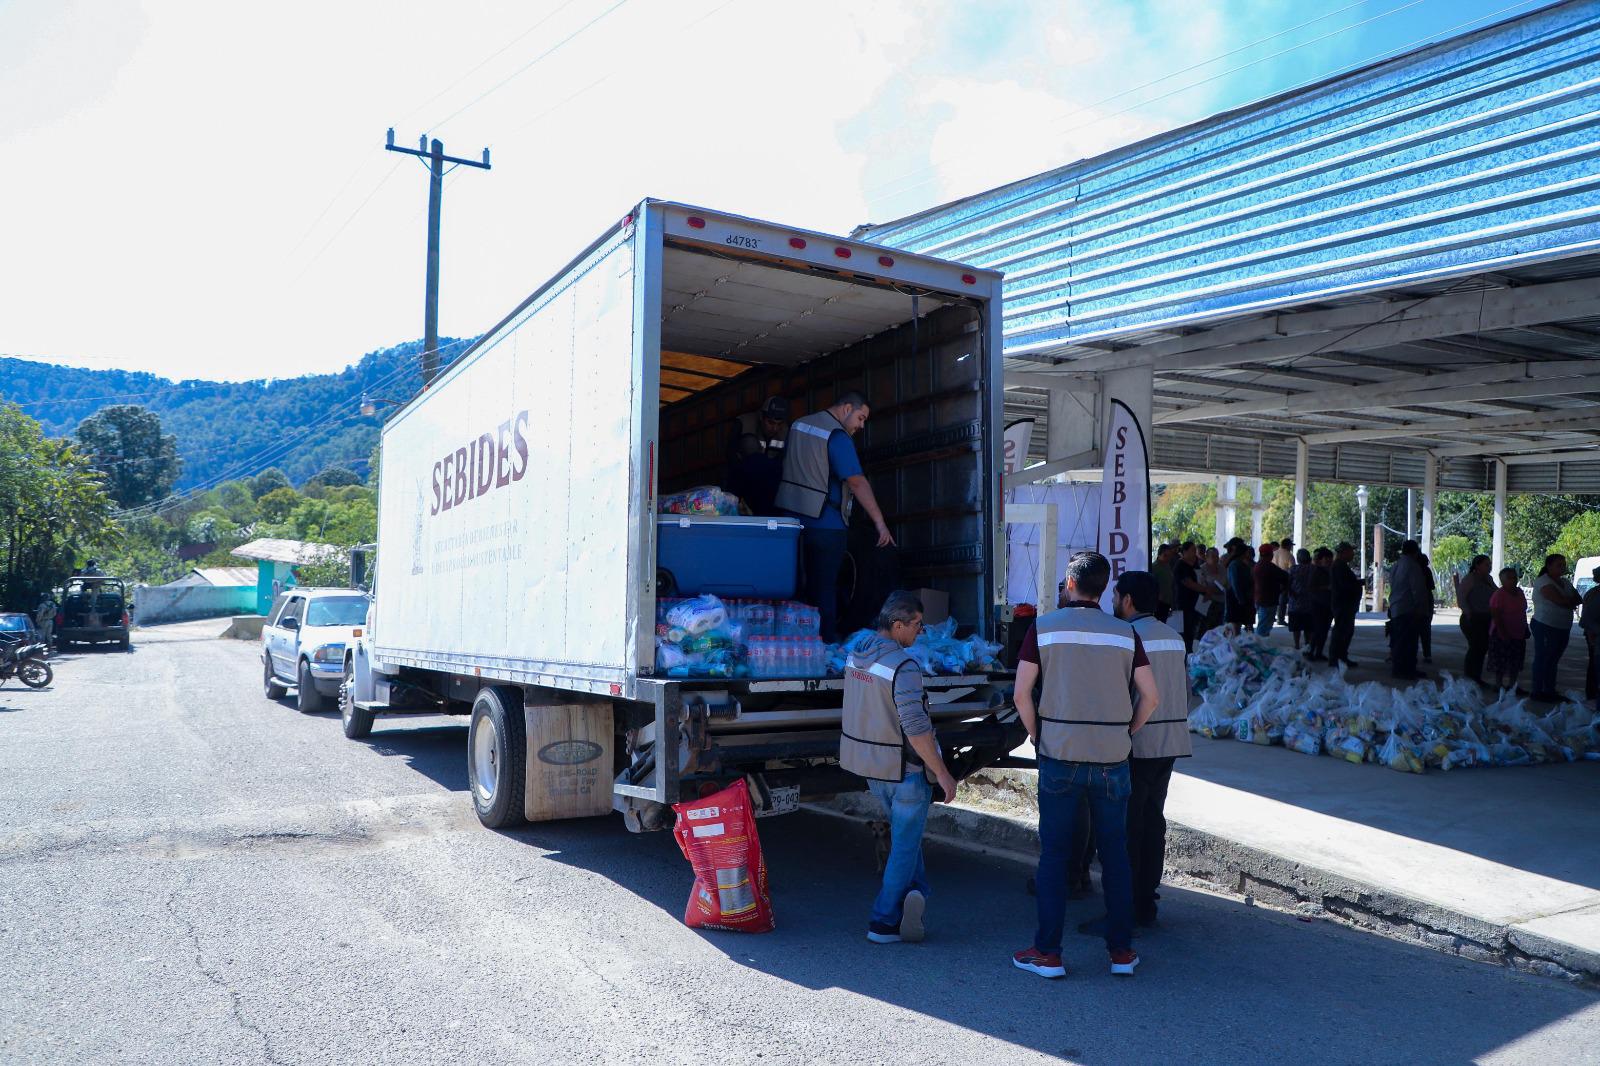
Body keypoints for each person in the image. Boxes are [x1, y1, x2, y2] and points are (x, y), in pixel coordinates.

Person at [1011, 551, 1158, 980]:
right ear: (1105, 589)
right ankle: (1121, 953)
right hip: (1113, 759)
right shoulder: (1125, 634)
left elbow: (1022, 694)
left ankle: (1049, 953)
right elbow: (1151, 697)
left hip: (1059, 753)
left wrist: (1038, 733)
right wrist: (1126, 730)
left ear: (1070, 584)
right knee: (1115, 855)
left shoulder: (1043, 628)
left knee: (1055, 855)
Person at [841, 591, 959, 944]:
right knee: (905, 846)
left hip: (873, 767)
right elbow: (916, 727)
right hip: (905, 770)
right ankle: (883, 922)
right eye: (917, 625)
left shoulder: (856, 654)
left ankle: (916, 895)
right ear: (897, 625)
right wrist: (941, 771)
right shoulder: (902, 666)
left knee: (906, 838)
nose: (920, 633)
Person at [1099, 571, 1191, 931]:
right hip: (1169, 744)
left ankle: (1123, 909)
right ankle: (1146, 901)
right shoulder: (1174, 637)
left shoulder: (1126, 637)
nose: (1112, 602)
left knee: (1126, 829)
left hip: (1136, 744)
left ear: (1128, 600)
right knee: (1153, 822)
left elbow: (1122, 695)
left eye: (1116, 595)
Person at [775, 392, 894, 642]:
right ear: (846, 408)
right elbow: (857, 481)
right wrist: (880, 523)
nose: (861, 426)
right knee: (824, 590)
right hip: (825, 524)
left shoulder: (798, 426)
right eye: (860, 418)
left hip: (790, 523)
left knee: (794, 588)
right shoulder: (836, 435)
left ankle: (795, 642)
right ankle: (826, 645)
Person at [725, 395, 790, 515]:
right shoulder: (743, 424)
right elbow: (731, 460)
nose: (775, 428)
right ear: (761, 417)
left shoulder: (786, 432)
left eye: (779, 424)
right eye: (770, 422)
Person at [1529, 553, 1582, 702]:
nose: (1563, 567)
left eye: (1563, 564)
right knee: (1543, 658)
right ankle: (1537, 690)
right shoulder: (1543, 581)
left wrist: (1569, 601)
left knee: (1553, 659)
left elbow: (1579, 599)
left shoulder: (1565, 582)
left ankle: (1549, 689)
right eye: (1559, 565)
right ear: (1549, 566)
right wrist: (1569, 601)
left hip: (1563, 627)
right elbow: (1560, 601)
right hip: (1545, 625)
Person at [1387, 540, 1428, 681]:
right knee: (1408, 642)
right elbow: (1417, 589)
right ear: (1416, 552)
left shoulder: (1396, 565)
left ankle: (1400, 669)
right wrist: (1419, 607)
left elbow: (1392, 584)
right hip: (1408, 608)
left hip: (1396, 606)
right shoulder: (1412, 566)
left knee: (1399, 641)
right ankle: (1406, 670)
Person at [1488, 568, 1530, 694]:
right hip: (1501, 632)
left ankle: (1513, 685)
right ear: (1503, 580)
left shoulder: (1520, 592)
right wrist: (1502, 632)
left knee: (1516, 660)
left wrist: (1525, 628)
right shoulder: (1499, 595)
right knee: (1500, 660)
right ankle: (1498, 684)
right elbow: (1496, 614)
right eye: (1510, 578)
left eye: (1514, 577)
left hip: (1518, 631)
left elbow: (1523, 612)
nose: (1514, 580)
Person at [1456, 555, 1496, 685]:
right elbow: (1461, 597)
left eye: (1489, 564)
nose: (1489, 567)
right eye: (1486, 564)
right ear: (1477, 565)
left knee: (1482, 647)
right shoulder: (1470, 579)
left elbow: (1496, 593)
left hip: (1486, 617)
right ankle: (1469, 676)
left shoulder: (1488, 579)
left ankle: (1476, 676)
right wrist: (1468, 613)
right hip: (1472, 617)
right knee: (1475, 647)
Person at [1328, 542, 1362, 669]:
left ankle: (1341, 656)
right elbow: (1344, 586)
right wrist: (1357, 585)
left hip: (1345, 605)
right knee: (1341, 632)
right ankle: (1335, 658)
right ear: (1343, 553)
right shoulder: (1338, 567)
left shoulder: (1341, 566)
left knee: (1346, 632)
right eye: (1350, 551)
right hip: (1342, 605)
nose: (1352, 554)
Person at [1173, 542, 1207, 652]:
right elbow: (1189, 583)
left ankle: (1190, 653)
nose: (1195, 553)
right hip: (1184, 604)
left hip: (1197, 603)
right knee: (1185, 632)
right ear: (1185, 552)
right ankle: (1184, 654)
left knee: (1193, 631)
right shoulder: (1180, 566)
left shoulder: (1195, 564)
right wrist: (1206, 590)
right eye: (1192, 550)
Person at [1306, 548, 1334, 661]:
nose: (1328, 561)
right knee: (1317, 630)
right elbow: (1310, 587)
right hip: (1317, 604)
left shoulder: (1330, 571)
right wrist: (1326, 587)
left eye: (1330, 559)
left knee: (1324, 630)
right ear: (1320, 560)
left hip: (1328, 604)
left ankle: (1318, 652)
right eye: (1326, 559)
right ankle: (1311, 651)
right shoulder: (1316, 571)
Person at [1285, 549, 1314, 652]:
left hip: (1295, 603)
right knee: (1308, 627)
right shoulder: (1313, 569)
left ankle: (1296, 644)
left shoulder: (1293, 569)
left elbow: (1287, 584)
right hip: (1309, 603)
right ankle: (1307, 644)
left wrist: (1292, 593)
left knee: (1296, 627)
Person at [1252, 543, 1282, 637]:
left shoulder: (1256, 566)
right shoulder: (1270, 567)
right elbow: (1285, 577)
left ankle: (1261, 644)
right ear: (1270, 554)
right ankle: (1260, 645)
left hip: (1259, 598)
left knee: (1263, 624)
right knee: (1264, 626)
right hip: (1268, 600)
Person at [1580, 566, 1600, 705]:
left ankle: (1592, 693)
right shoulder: (1595, 595)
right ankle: (1592, 694)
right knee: (1595, 665)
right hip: (1596, 636)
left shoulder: (1592, 593)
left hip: (1594, 634)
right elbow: (1587, 619)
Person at [1226, 542, 1255, 631]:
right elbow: (1235, 583)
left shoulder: (1243, 564)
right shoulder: (1235, 565)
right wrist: (1240, 599)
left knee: (1247, 623)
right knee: (1236, 625)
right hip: (1236, 598)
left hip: (1244, 597)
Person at [1418, 553, 1437, 664]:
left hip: (1418, 600)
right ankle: (1427, 654)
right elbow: (1432, 586)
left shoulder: (1415, 571)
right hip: (1427, 599)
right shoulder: (1426, 571)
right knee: (1426, 629)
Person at [1150, 544, 1176, 624]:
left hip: (1167, 603)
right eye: (1165, 555)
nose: (1168, 558)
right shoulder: (1153, 567)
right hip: (1158, 604)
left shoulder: (1168, 566)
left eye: (1169, 556)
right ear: (1160, 554)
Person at [1273, 537, 1295, 625]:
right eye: (1291, 545)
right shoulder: (1289, 555)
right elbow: (1292, 569)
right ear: (1288, 546)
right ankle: (1280, 619)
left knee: (1273, 599)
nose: (1291, 547)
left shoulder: (1274, 553)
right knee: (1282, 600)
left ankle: (1272, 616)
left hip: (1273, 579)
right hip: (1283, 579)